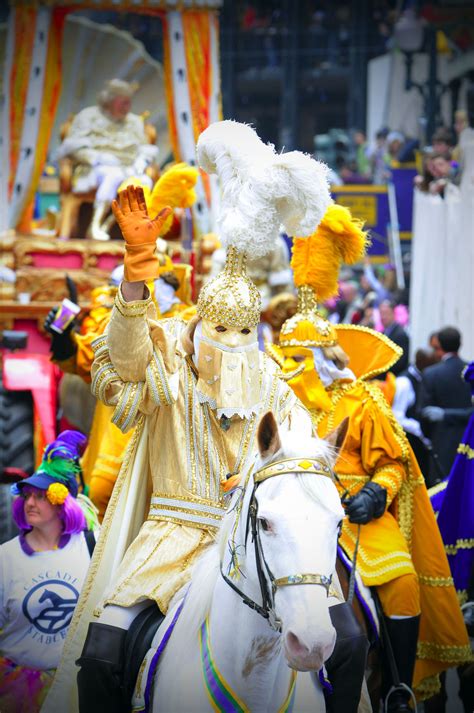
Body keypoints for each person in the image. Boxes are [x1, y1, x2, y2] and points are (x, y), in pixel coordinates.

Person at [43, 120, 335, 713]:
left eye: (242, 332)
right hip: (172, 538)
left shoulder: (269, 378)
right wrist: (136, 271)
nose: (228, 342)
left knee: (349, 637)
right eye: (218, 330)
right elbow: (123, 364)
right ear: (199, 323)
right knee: (103, 652)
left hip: (256, 539)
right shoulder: (169, 363)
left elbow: (300, 445)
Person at [270, 203, 471, 711]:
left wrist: (377, 492)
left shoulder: (359, 399)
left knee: (402, 584)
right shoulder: (270, 399)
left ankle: (399, 688)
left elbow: (394, 462)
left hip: (357, 508)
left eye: (304, 358)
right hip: (293, 505)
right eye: (288, 356)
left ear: (326, 357)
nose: (295, 368)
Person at [0, 431, 98, 713]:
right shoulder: (6, 558)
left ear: (61, 502)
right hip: (16, 693)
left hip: (76, 686)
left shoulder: (90, 546)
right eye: (27, 496)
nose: (30, 503)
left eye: (41, 496)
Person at [57, 78, 158, 241]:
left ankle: (117, 227)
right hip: (94, 169)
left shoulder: (133, 122)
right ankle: (94, 226)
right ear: (110, 101)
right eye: (123, 103)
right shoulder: (87, 117)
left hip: (129, 168)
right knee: (113, 176)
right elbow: (72, 148)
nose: (127, 107)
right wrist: (97, 158)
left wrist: (141, 161)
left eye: (128, 103)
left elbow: (144, 149)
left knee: (144, 182)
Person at [421, 326, 473, 479]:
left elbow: (423, 415)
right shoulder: (470, 372)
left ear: (439, 346)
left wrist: (442, 418)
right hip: (469, 441)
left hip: (440, 443)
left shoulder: (431, 374)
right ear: (460, 344)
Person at [379, 299, 409, 375]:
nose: (383, 317)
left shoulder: (400, 335)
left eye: (386, 313)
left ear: (393, 313)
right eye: (381, 313)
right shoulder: (383, 332)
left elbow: (400, 363)